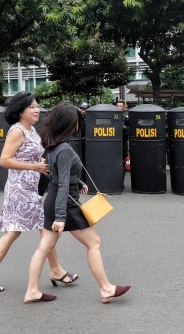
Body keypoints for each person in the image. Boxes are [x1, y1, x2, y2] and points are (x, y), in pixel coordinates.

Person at [23, 101, 131, 303]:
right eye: (78, 121)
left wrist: (78, 180)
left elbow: (55, 173)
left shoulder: (53, 145)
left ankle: (31, 291)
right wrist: (61, 216)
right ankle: (106, 288)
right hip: (65, 203)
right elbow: (62, 182)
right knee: (94, 243)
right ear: (69, 124)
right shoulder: (63, 148)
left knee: (44, 247)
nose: (79, 124)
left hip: (55, 199)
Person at [0, 92, 77, 293]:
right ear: (19, 111)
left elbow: (31, 156)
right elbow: (4, 160)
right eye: (32, 106)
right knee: (23, 231)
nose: (37, 109)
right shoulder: (17, 131)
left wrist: (41, 164)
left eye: (37, 106)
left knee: (34, 230)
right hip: (21, 190)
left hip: (32, 188)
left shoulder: (31, 129)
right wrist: (35, 167)